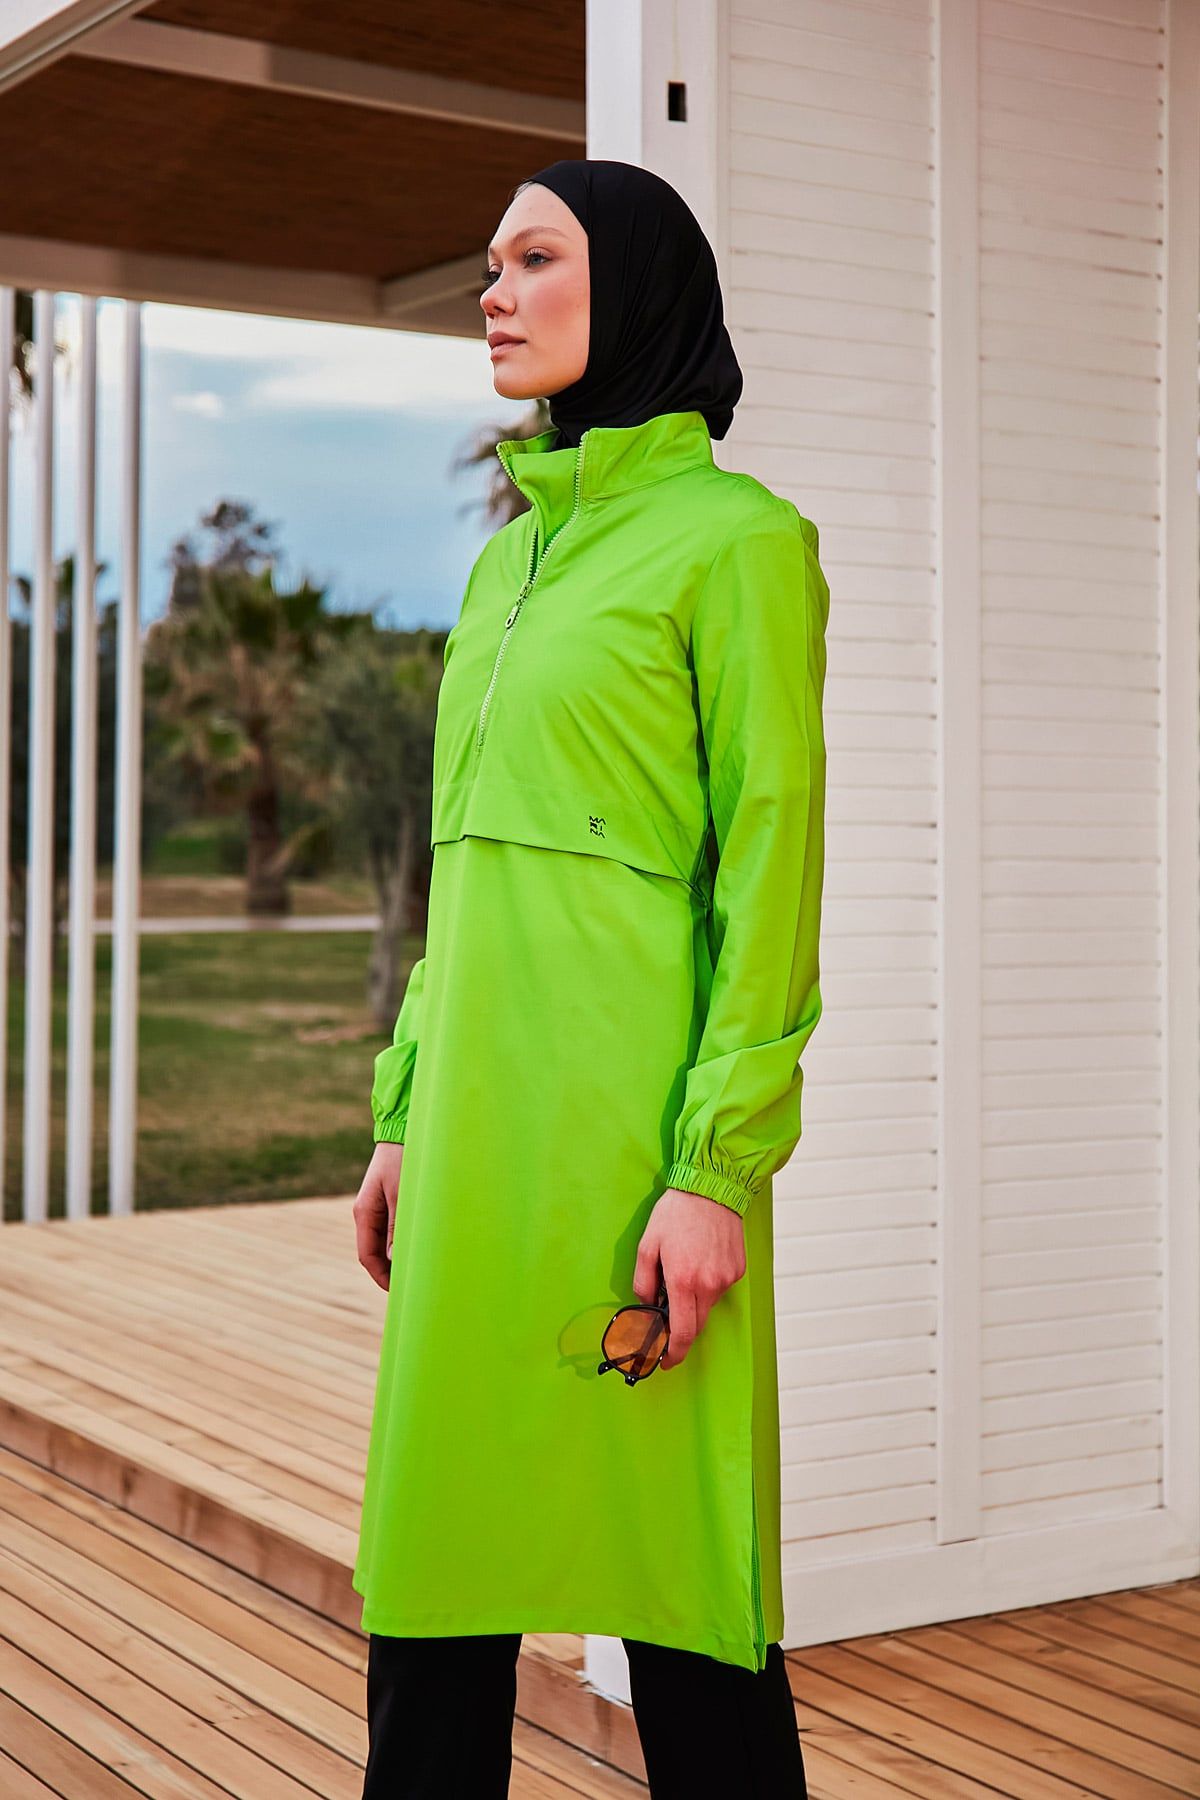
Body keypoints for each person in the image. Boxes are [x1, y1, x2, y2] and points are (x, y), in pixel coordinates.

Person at [351, 157, 828, 1797]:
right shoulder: (504, 567)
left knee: (684, 1602)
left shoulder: (738, 545)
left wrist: (716, 1169)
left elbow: (770, 870)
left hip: (634, 1151)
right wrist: (405, 1112)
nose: (492, 292)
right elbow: (463, 871)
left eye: (533, 259)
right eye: (489, 264)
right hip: (473, 1149)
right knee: (433, 1582)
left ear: (633, 286)